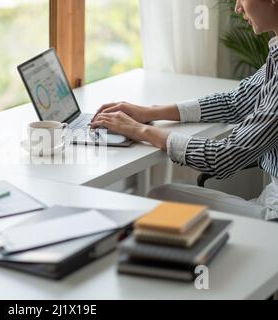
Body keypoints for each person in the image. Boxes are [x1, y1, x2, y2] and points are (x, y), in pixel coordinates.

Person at [91, 0, 278, 221]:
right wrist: (151, 112)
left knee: (160, 198)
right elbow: (236, 101)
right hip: (269, 197)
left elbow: (224, 156)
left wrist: (140, 131)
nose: (237, 7)